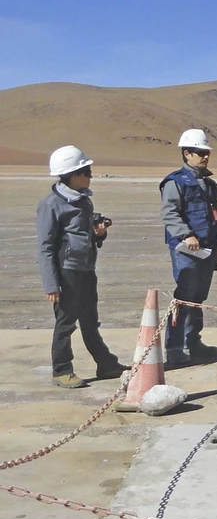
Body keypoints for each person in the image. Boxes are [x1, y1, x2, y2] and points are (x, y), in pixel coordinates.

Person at [37, 146, 128, 388]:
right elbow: (45, 247)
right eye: (86, 171)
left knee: (90, 320)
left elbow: (84, 237)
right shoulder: (52, 205)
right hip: (66, 273)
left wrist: (99, 234)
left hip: (87, 269)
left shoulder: (84, 201)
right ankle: (62, 370)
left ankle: (106, 364)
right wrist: (51, 284)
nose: (90, 175)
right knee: (66, 323)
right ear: (73, 174)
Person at [160, 128, 217, 365]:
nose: (205, 156)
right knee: (184, 297)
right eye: (199, 152)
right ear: (187, 154)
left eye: (206, 152)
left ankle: (193, 341)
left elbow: (214, 218)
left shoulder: (209, 185)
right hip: (185, 249)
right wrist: (186, 234)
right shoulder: (175, 182)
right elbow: (170, 213)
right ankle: (175, 348)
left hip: (207, 248)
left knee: (198, 297)